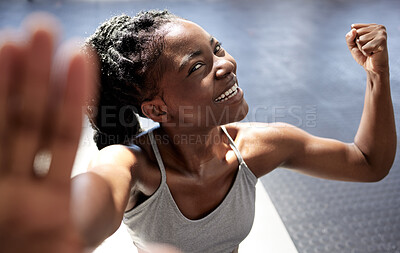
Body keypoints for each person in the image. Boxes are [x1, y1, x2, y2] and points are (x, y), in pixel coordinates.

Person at [0, 9, 396, 253]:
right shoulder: (131, 164)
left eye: (217, 48)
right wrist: (61, 226)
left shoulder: (260, 146)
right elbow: (96, 195)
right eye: (197, 66)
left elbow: (366, 162)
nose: (226, 64)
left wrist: (378, 75)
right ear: (156, 108)